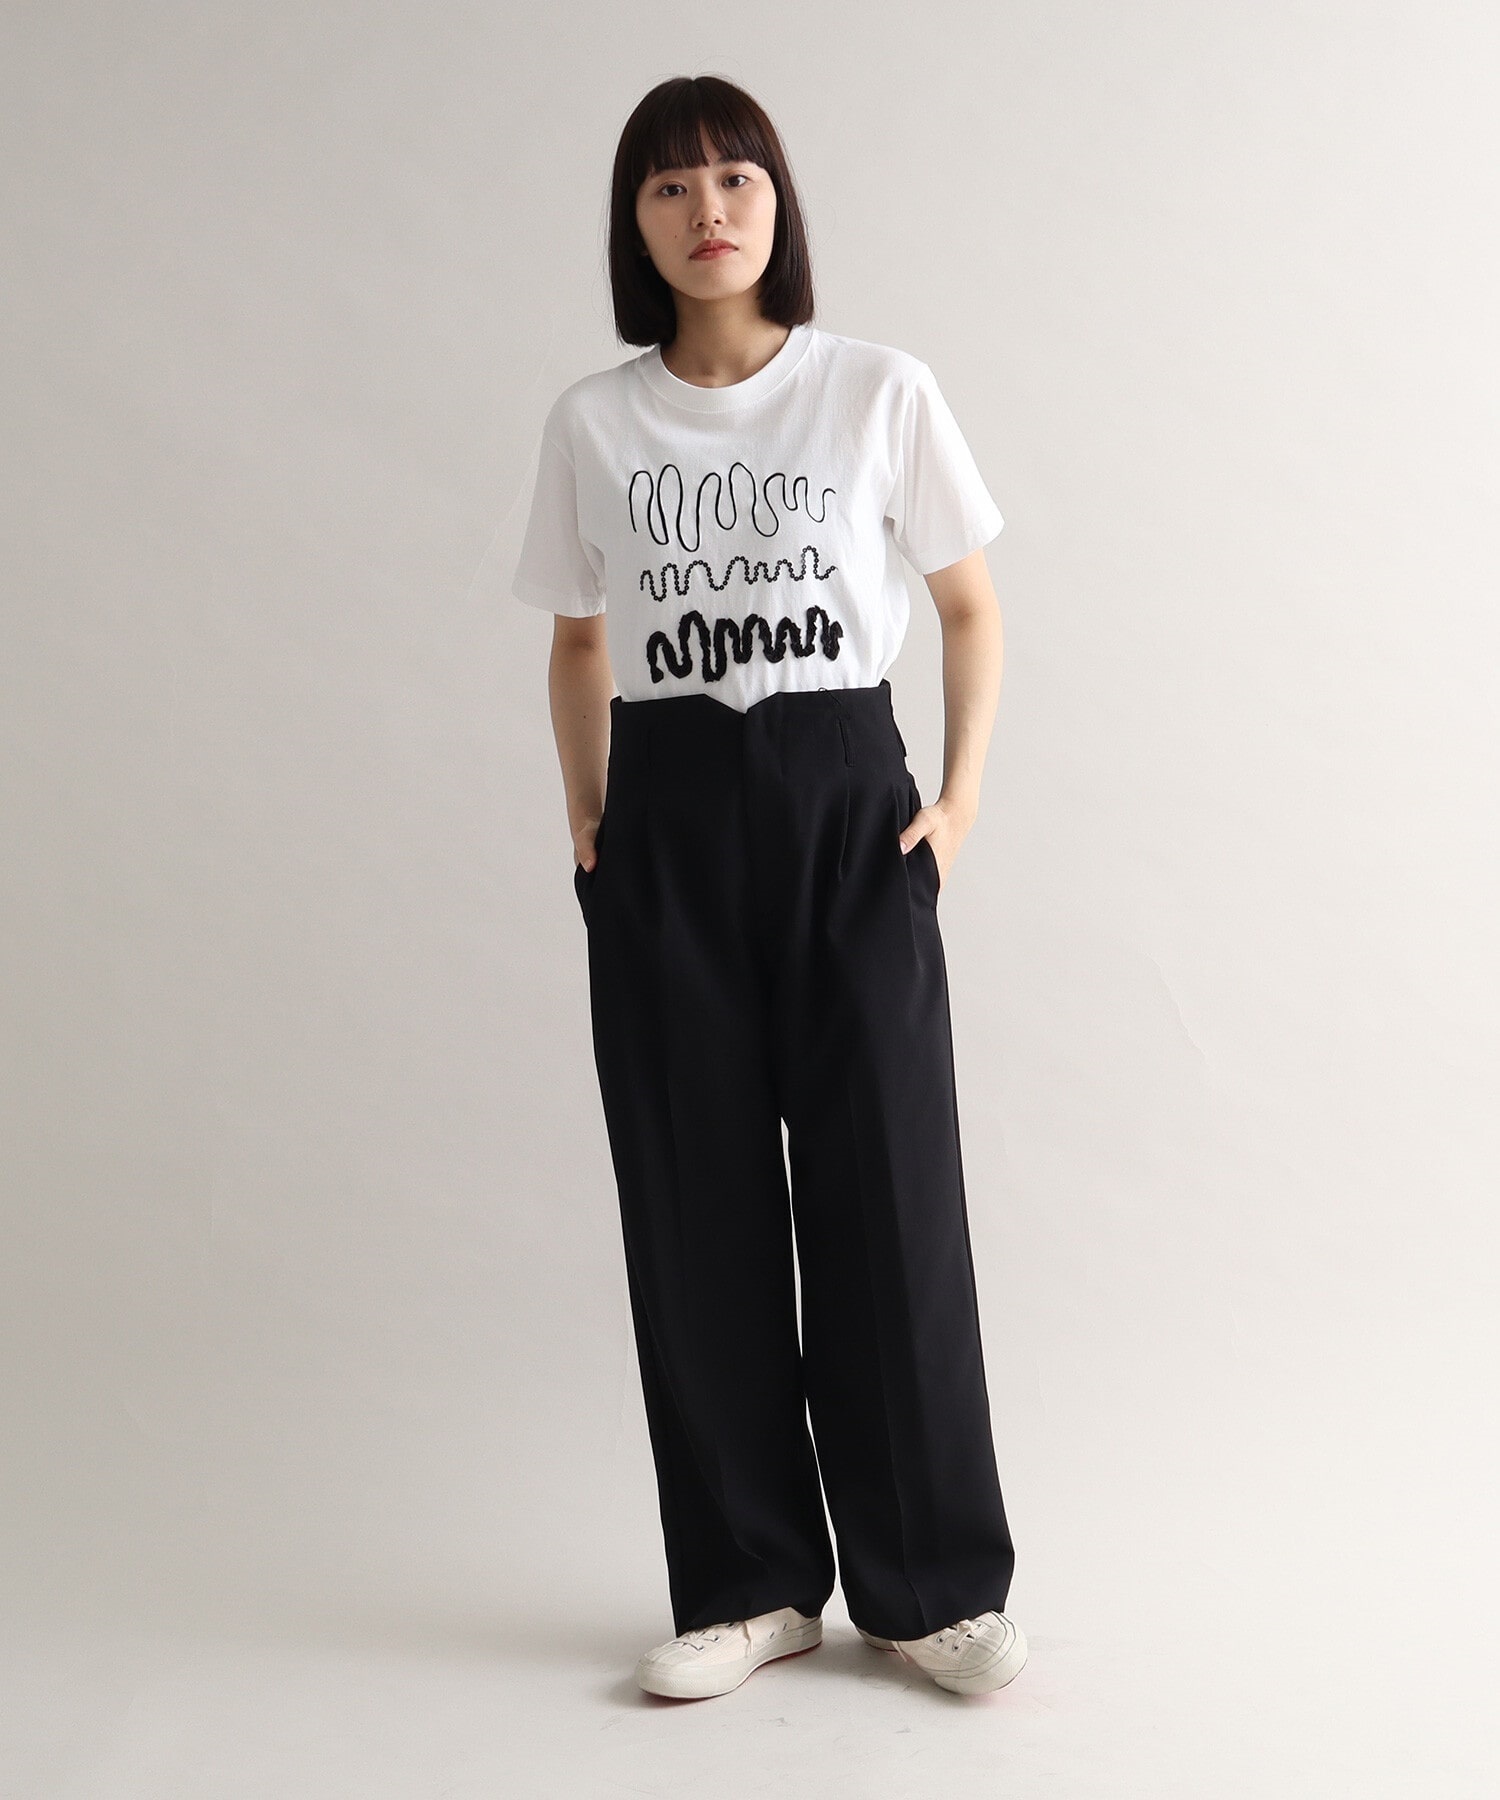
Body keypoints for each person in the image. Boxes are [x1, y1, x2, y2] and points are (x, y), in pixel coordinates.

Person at [511, 74, 1026, 1702]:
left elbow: (968, 606)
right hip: (666, 823)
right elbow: (579, 638)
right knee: (695, 1201)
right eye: (669, 187)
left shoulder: (875, 389)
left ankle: (931, 1587)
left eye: (735, 177)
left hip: (844, 811)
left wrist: (954, 802)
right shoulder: (596, 421)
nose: (708, 210)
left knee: (890, 1195)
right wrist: (590, 818)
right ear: (635, 224)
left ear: (778, 201)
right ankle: (750, 1582)